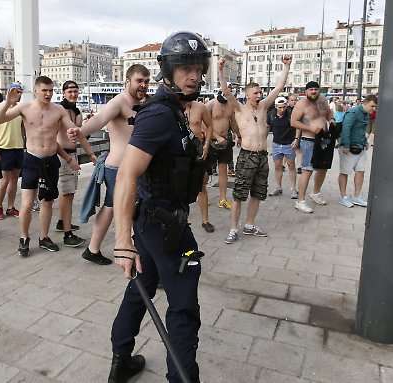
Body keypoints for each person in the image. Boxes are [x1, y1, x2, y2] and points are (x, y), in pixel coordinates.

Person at [109, 31, 209, 383]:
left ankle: (121, 359)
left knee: (142, 285)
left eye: (198, 68)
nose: (193, 75)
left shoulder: (176, 111)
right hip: (165, 227)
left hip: (156, 223)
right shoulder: (158, 116)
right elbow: (126, 175)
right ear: (168, 70)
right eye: (184, 68)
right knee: (183, 306)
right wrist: (122, 241)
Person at [69, 64, 151, 265]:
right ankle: (136, 257)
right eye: (139, 81)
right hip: (118, 168)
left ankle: (93, 249)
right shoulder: (119, 102)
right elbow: (99, 119)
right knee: (126, 209)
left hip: (134, 167)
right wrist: (80, 132)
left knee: (113, 207)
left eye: (146, 81)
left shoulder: (145, 102)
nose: (143, 85)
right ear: (128, 81)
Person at [0, 76, 81, 257]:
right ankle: (24, 238)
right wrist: (7, 102)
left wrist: (74, 135)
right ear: (36, 91)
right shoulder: (25, 108)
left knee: (47, 202)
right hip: (32, 159)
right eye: (44, 90)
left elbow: (72, 127)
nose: (48, 94)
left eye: (50, 91)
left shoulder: (58, 110)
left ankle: (44, 237)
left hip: (50, 160)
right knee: (26, 203)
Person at [220, 54, 292, 244]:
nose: (259, 96)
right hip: (246, 156)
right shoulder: (239, 108)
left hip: (261, 157)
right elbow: (226, 91)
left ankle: (250, 225)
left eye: (260, 93)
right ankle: (234, 228)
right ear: (247, 95)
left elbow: (278, 88)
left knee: (258, 193)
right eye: (256, 93)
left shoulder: (264, 107)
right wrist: (220, 70)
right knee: (238, 195)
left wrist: (286, 66)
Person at [56, 80, 97, 248]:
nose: (73, 94)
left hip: (73, 154)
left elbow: (80, 136)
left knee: (68, 193)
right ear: (64, 92)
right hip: (63, 155)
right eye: (70, 91)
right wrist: (67, 158)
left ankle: (62, 222)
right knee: (67, 194)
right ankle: (67, 234)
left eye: (75, 91)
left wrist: (91, 154)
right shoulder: (60, 111)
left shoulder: (77, 111)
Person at [290, 81, 332, 213]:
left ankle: (315, 193)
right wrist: (310, 128)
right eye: (311, 89)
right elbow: (293, 122)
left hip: (324, 139)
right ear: (306, 91)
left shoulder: (323, 100)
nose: (313, 91)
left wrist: (331, 121)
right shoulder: (301, 104)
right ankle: (300, 201)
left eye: (316, 89)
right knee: (307, 170)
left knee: (323, 168)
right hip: (309, 140)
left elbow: (329, 114)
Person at [338, 95, 377, 208]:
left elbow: (361, 129)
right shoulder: (353, 112)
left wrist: (365, 141)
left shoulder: (365, 114)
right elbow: (346, 128)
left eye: (375, 107)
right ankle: (343, 197)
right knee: (345, 172)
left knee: (361, 171)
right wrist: (345, 144)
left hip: (360, 147)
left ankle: (356, 196)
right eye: (372, 106)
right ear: (365, 103)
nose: (373, 109)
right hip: (349, 147)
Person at [0, 88, 24, 220]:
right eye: (16, 92)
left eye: (20, 92)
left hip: (18, 147)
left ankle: (10, 207)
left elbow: (22, 128)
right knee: (5, 180)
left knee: (15, 179)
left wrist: (24, 144)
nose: (18, 95)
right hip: (4, 148)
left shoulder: (21, 109)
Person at [206, 87, 240, 210]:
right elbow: (204, 125)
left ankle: (222, 199)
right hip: (211, 141)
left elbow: (233, 122)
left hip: (225, 141)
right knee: (205, 172)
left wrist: (239, 135)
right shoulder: (210, 104)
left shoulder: (230, 105)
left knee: (223, 170)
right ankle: (202, 196)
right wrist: (216, 136)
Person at [184, 99, 214, 232]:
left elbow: (210, 126)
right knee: (180, 187)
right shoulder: (174, 107)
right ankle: (183, 219)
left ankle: (205, 220)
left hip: (198, 151)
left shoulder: (201, 107)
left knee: (202, 186)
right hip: (181, 153)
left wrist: (206, 145)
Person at [267, 96, 297, 199]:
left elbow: (297, 126)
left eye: (284, 107)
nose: (282, 109)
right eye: (280, 107)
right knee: (277, 166)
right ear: (276, 107)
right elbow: (267, 127)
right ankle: (278, 187)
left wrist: (296, 139)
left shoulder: (290, 114)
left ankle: (293, 189)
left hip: (289, 144)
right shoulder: (271, 114)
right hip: (276, 144)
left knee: (291, 166)